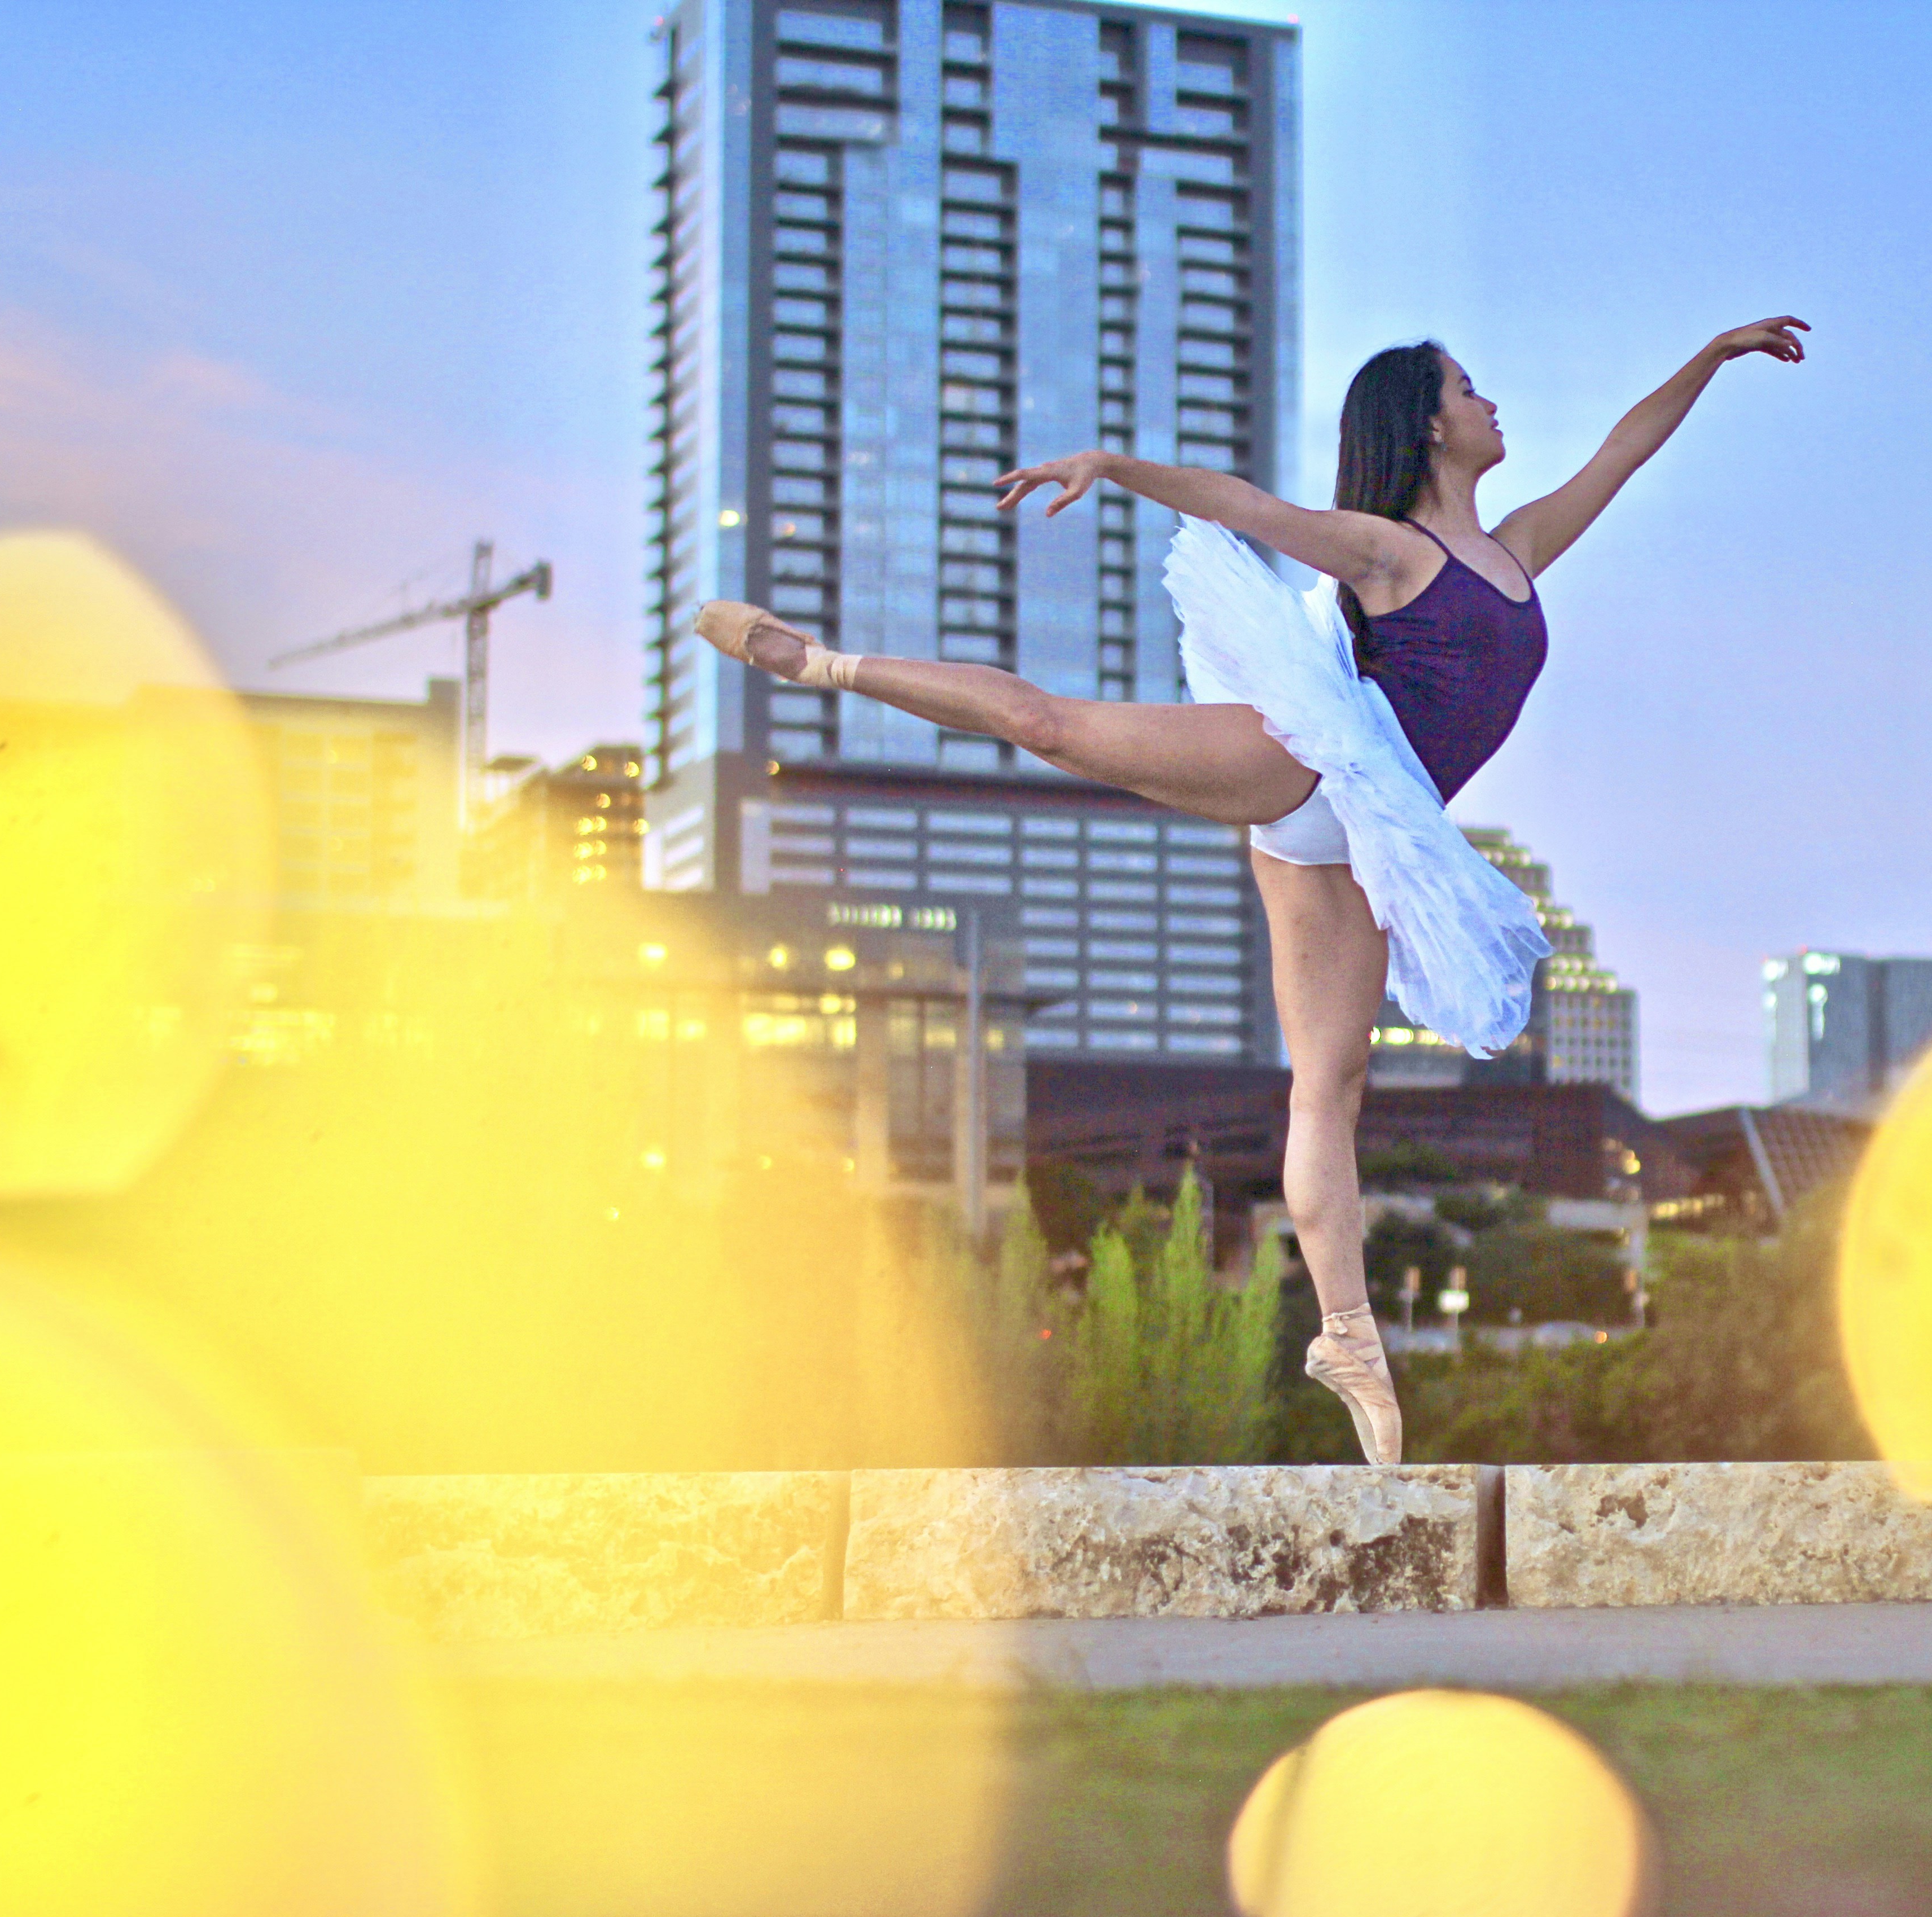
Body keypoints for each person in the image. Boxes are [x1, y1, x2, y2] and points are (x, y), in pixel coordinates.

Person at [693, 316, 1809, 1463]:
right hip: (1314, 761)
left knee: (1331, 1087)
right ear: (1429, 424)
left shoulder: (1519, 551)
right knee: (1055, 728)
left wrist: (1713, 358)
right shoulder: (1387, 552)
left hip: (1362, 835)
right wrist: (1114, 468)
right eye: (1471, 389)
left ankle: (1348, 1339)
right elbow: (1243, 509)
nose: (1493, 403)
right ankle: (820, 661)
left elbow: (1627, 449)